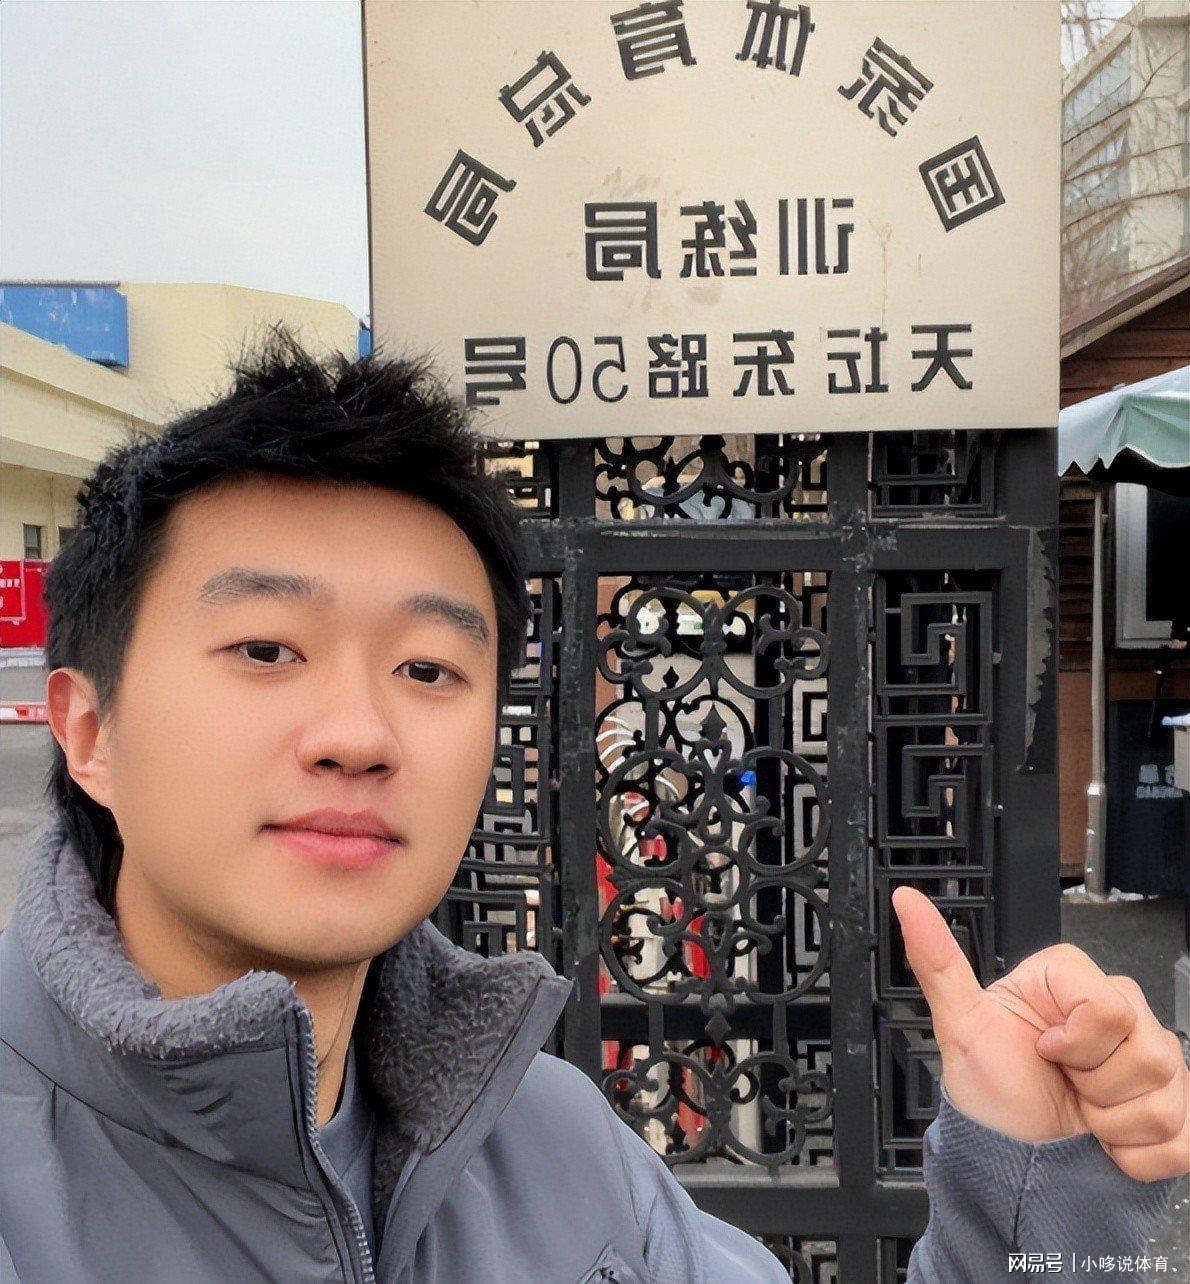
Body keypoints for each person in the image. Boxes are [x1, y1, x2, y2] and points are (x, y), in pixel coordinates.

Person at [0, 331, 1184, 1284]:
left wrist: (1031, 1194)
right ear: (87, 729)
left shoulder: (555, 1147)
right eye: (266, 649)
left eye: (427, 669)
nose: (358, 734)